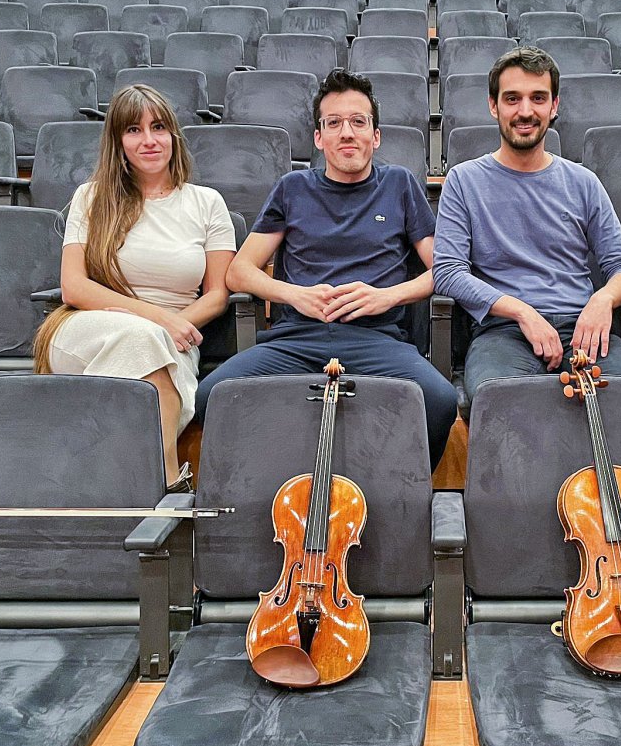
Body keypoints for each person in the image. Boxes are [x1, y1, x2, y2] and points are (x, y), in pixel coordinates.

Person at [195, 69, 457, 471]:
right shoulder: (293, 187)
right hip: (297, 336)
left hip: (375, 337)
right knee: (211, 395)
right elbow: (239, 273)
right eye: (333, 123)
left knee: (439, 401)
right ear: (319, 138)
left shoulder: (400, 185)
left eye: (358, 122)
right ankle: (275, 485)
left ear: (376, 135)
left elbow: (444, 269)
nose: (346, 132)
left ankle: (398, 488)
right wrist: (295, 294)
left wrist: (387, 296)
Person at [34, 84, 236, 491]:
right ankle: (163, 482)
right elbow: (73, 287)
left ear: (173, 136)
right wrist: (161, 320)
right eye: (133, 130)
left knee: (149, 349)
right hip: (87, 328)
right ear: (118, 142)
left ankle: (92, 486)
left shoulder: (207, 202)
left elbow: (217, 294)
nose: (149, 140)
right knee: (143, 340)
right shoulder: (91, 197)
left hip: (176, 338)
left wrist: (172, 326)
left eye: (158, 127)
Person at [432, 46, 621, 397]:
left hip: (582, 330)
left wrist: (602, 300)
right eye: (512, 99)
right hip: (504, 332)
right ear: (493, 106)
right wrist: (523, 313)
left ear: (554, 106)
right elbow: (448, 272)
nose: (525, 111)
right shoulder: (464, 181)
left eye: (538, 98)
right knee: (502, 402)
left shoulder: (584, 181)